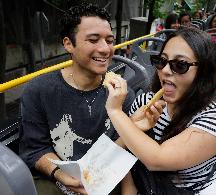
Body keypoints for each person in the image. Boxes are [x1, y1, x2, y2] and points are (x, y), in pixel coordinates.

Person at [18, 3, 135, 195]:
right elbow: (34, 149)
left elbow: (124, 153)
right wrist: (61, 175)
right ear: (68, 44)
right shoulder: (39, 91)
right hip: (58, 181)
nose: (105, 49)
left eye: (109, 40)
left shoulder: (121, 93)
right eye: (93, 40)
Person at [105, 27, 216, 195]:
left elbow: (156, 159)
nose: (164, 70)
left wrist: (115, 111)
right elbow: (126, 152)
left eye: (180, 65)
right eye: (161, 61)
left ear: (203, 72)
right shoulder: (146, 102)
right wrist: (129, 189)